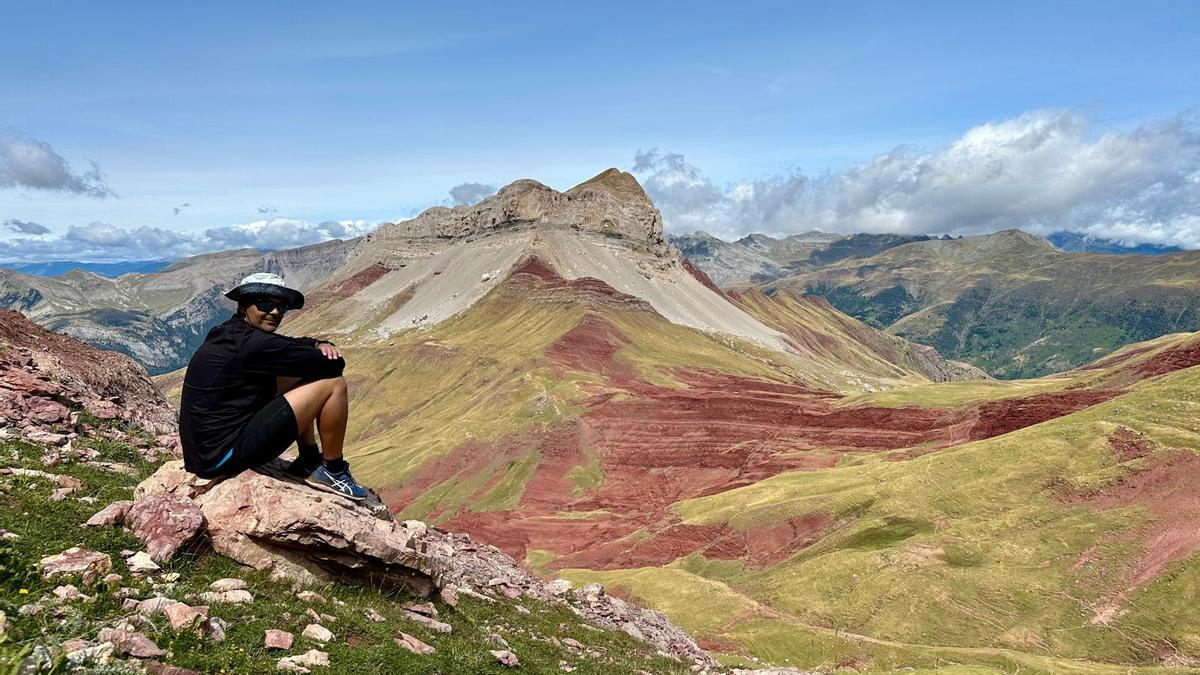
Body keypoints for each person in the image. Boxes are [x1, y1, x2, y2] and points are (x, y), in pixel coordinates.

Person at [178, 272, 368, 500]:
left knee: (296, 373)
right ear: (244, 306)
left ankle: (308, 459)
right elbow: (334, 365)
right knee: (333, 383)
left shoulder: (231, 332)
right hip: (220, 457)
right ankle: (334, 470)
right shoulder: (253, 345)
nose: (275, 312)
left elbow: (285, 344)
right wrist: (321, 349)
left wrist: (317, 343)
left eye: (281, 307)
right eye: (266, 304)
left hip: (205, 453)